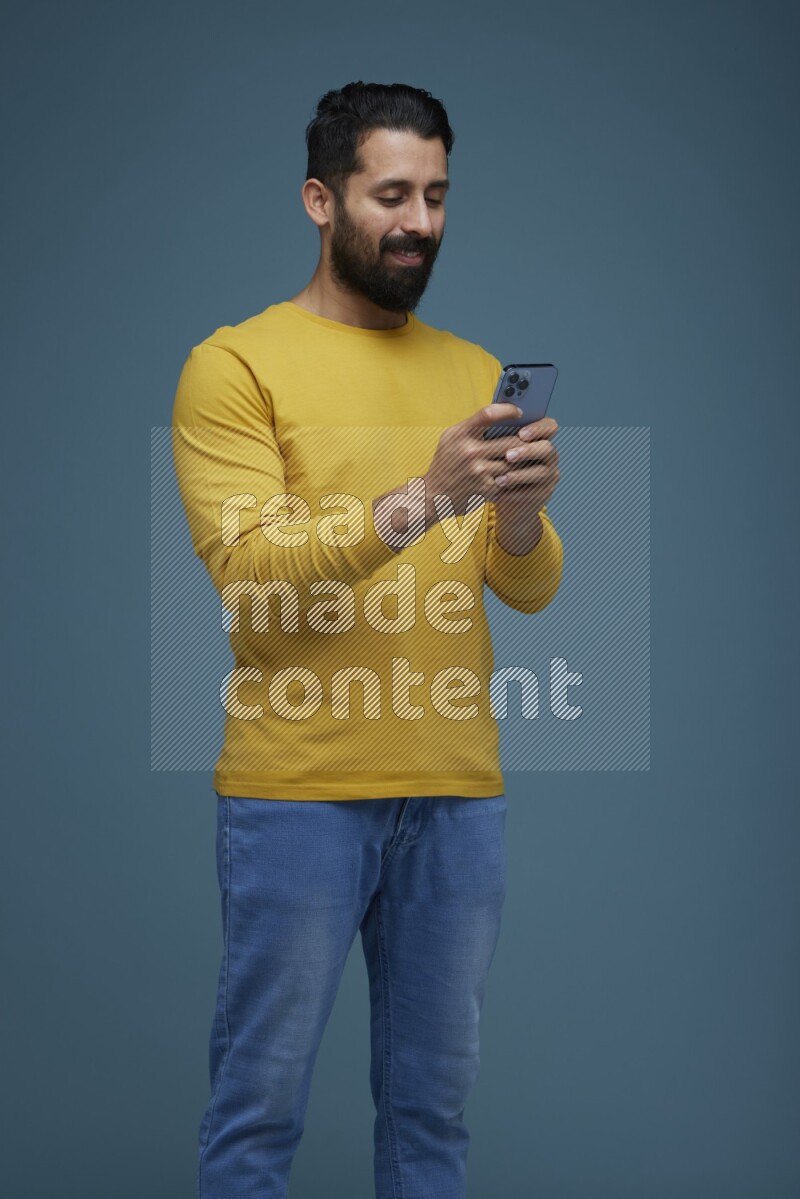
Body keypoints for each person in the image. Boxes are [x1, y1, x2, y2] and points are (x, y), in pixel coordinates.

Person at [172, 80, 563, 1199]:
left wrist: (521, 515)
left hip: (454, 795)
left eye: (436, 194)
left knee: (431, 1123)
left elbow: (527, 589)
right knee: (258, 1115)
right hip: (298, 793)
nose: (420, 220)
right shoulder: (235, 366)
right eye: (391, 192)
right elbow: (251, 580)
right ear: (318, 199)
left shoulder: (467, 368)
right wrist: (421, 500)